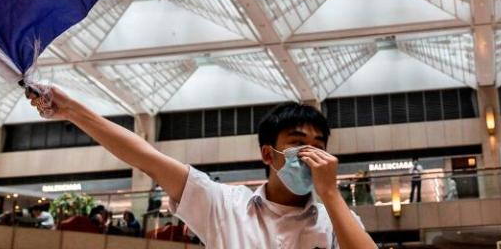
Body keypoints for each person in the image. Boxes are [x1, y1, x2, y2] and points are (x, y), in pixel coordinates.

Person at [27, 88, 374, 249]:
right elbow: (146, 158)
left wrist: (329, 193)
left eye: (319, 146)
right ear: (269, 155)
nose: (311, 154)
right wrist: (72, 111)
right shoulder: (224, 206)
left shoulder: (336, 222)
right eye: (298, 142)